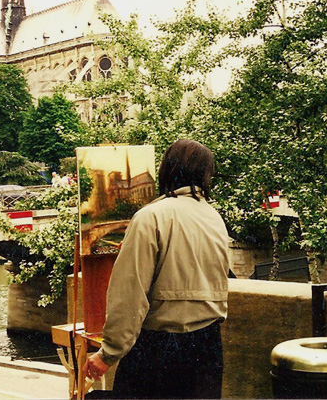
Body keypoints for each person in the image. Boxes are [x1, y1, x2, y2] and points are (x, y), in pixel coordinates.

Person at [82, 139, 230, 399]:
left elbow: (130, 293)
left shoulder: (151, 217)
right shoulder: (214, 218)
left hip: (160, 349)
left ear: (167, 170)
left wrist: (108, 354)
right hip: (208, 346)